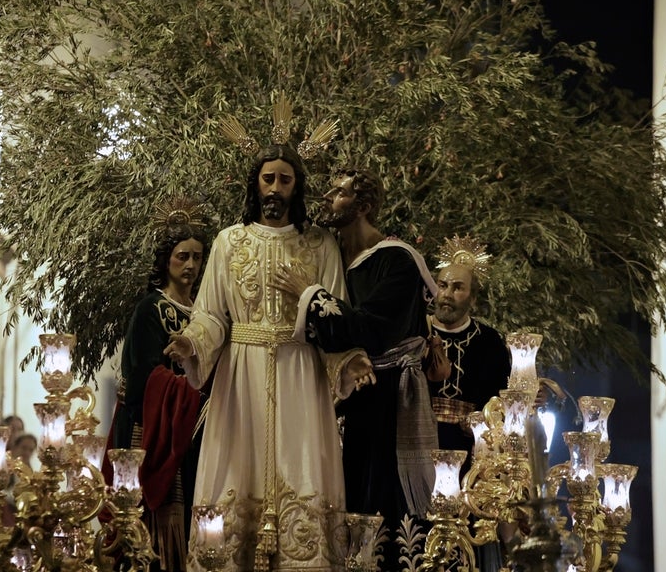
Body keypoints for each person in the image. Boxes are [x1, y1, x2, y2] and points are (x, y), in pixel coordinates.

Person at [165, 144, 370, 572]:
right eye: (268, 178)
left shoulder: (320, 244)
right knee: (235, 477)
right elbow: (211, 316)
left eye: (284, 179)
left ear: (297, 187)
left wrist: (348, 360)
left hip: (301, 374)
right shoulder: (228, 242)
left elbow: (334, 315)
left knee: (302, 471)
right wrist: (192, 342)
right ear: (255, 184)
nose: (275, 187)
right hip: (242, 377)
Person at [271, 167, 438, 562]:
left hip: (389, 400)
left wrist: (307, 294)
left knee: (384, 499)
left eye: (339, 192)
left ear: (362, 206)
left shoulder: (396, 261)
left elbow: (368, 329)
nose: (328, 197)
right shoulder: (337, 259)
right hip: (349, 398)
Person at [112, 208, 209, 572]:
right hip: (159, 428)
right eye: (182, 256)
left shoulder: (205, 315)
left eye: (197, 257)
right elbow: (141, 374)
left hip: (198, 428)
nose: (190, 265)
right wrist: (186, 390)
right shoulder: (151, 308)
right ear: (166, 260)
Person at [427, 236, 510, 572]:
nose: (446, 293)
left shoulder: (489, 342)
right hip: (421, 446)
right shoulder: (415, 332)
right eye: (442, 285)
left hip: (470, 458)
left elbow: (500, 405)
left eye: (458, 287)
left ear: (472, 296)